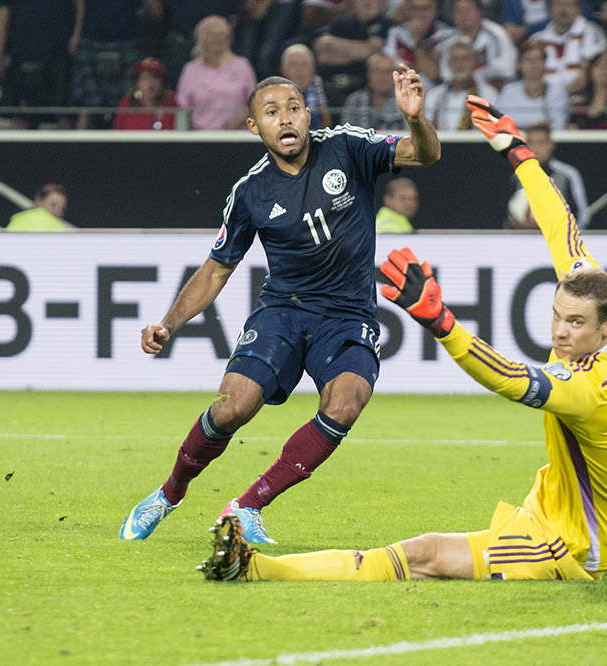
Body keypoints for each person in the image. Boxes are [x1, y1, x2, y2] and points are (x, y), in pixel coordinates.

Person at [199, 95, 607, 583]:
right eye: (558, 317)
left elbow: (514, 380)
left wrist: (442, 324)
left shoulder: (590, 387)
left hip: (561, 544)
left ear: (606, 329)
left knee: (424, 555)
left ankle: (259, 571)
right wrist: (518, 153)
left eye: (574, 325)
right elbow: (558, 222)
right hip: (569, 519)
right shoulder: (604, 314)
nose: (560, 332)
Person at [119, 66, 441, 543]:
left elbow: (426, 154)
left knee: (347, 402)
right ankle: (168, 493)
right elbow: (215, 270)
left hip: (348, 314)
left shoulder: (348, 147)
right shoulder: (249, 192)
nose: (285, 119)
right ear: (254, 127)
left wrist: (414, 117)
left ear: (307, 115)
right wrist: (169, 323)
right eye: (271, 112)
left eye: (293, 109)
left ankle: (247, 507)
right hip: (283, 312)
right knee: (232, 407)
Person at [0, 0, 84, 129]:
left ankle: (71, 150)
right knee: (21, 115)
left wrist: (77, 34)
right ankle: (14, 150)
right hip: (24, 49)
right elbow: (3, 10)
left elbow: (80, 3)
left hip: (60, 49)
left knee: (64, 114)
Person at [70, 0, 145, 129]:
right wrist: (77, 32)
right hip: (91, 35)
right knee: (87, 103)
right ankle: (79, 148)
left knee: (128, 101)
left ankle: (127, 147)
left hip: (128, 35)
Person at [175, 15, 256, 130]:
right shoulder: (190, 69)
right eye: (212, 34)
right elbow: (182, 106)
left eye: (221, 34)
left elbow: (255, 103)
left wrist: (240, 119)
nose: (217, 39)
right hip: (199, 137)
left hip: (236, 135)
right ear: (201, 39)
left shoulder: (242, 66)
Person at [313, 0, 393, 110]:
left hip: (363, 85)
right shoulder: (341, 24)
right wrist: (361, 51)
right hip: (333, 85)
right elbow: (323, 56)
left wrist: (332, 43)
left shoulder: (384, 23)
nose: (367, 3)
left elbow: (370, 51)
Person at [508, 122, 589, 228]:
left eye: (541, 143)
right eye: (532, 143)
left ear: (551, 145)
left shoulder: (567, 175)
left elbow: (583, 216)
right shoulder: (517, 177)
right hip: (525, 242)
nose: (536, 148)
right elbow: (508, 218)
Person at [438, 0, 517, 89]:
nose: (463, 15)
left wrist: (472, 74)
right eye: (459, 11)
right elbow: (446, 74)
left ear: (480, 12)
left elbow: (504, 71)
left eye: (468, 10)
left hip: (494, 91)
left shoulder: (497, 35)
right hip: (461, 90)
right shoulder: (449, 40)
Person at [534, 0, 607, 93]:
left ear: (578, 9)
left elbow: (587, 72)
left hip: (582, 97)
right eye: (558, 4)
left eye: (569, 5)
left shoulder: (592, 32)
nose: (563, 9)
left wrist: (560, 98)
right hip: (544, 98)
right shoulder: (537, 39)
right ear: (549, 9)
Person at [423, 37, 498, 129]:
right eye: (455, 59)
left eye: (465, 59)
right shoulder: (434, 95)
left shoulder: (488, 94)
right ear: (449, 63)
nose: (460, 64)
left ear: (474, 62)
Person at [495, 40, 570, 131]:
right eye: (528, 59)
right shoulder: (509, 91)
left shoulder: (557, 91)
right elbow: (502, 126)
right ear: (519, 64)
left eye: (538, 59)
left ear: (545, 63)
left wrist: (521, 127)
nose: (533, 64)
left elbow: (558, 127)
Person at [341, 52, 407, 130]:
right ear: (368, 74)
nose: (382, 77)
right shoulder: (354, 100)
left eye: (387, 72)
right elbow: (345, 133)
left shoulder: (404, 100)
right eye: (377, 71)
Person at [567, 49, 607, 129]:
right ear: (591, 71)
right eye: (598, 65)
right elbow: (571, 128)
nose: (603, 70)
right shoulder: (580, 102)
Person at [113, 57, 179, 130]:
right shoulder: (127, 104)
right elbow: (117, 134)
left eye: (155, 78)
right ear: (137, 83)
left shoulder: (173, 102)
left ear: (162, 82)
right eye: (145, 78)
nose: (150, 84)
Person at [279, 44, 332, 129]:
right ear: (283, 70)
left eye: (304, 64)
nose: (299, 70)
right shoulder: (273, 94)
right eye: (293, 65)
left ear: (314, 69)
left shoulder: (330, 93)